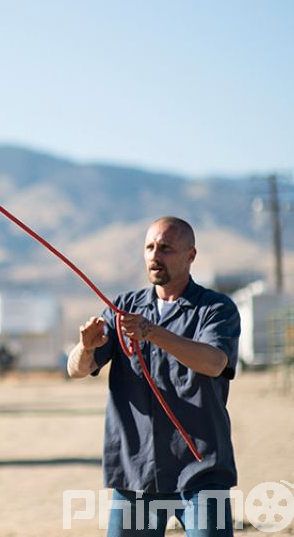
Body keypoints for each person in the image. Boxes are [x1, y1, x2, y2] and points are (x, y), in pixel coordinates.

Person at [67, 216, 240, 536]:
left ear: (191, 255)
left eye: (166, 248)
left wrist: (153, 333)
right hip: (137, 472)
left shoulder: (216, 309)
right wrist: (85, 347)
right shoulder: (122, 308)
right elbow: (76, 370)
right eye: (149, 247)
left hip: (201, 471)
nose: (155, 256)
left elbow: (215, 362)